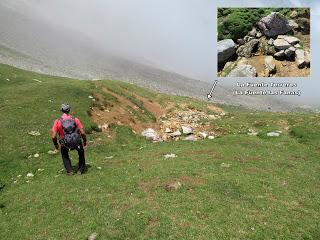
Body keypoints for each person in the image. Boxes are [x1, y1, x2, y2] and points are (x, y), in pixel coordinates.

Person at [52, 103, 87, 175]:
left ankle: (70, 171)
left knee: (64, 155)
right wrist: (84, 141)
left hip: (65, 143)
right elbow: (82, 133)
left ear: (62, 110)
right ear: (69, 110)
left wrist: (56, 145)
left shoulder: (58, 121)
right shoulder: (75, 119)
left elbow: (53, 136)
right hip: (76, 141)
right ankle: (80, 170)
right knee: (81, 153)